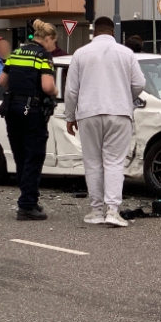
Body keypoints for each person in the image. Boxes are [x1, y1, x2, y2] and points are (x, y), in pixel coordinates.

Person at [64, 16, 146, 228]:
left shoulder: (80, 54)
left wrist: (70, 116)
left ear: (94, 32)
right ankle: (112, 210)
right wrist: (126, 96)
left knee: (92, 162)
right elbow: (139, 83)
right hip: (119, 112)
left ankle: (96, 210)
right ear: (112, 32)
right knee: (114, 161)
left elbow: (71, 90)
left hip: (88, 113)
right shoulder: (126, 53)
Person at [0, 19, 58, 221]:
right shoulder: (43, 56)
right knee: (34, 156)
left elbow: (3, 81)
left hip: (12, 109)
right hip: (32, 111)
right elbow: (48, 87)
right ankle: (26, 206)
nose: (54, 46)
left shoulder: (15, 53)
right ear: (47, 39)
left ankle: (28, 199)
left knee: (21, 156)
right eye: (53, 42)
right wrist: (55, 90)